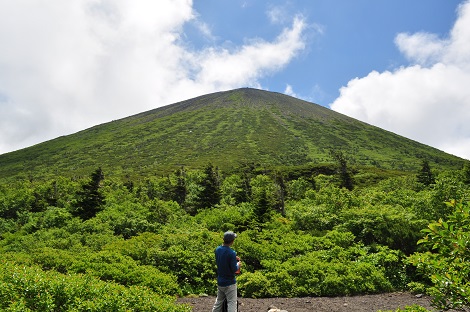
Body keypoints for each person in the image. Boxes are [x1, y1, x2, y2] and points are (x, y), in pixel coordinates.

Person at [211, 231, 241, 312]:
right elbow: (234, 269)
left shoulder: (217, 250)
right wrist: (238, 264)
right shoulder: (232, 253)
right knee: (232, 303)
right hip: (230, 282)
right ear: (232, 241)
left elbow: (223, 259)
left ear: (223, 239)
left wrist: (233, 258)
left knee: (218, 302)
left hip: (220, 281)